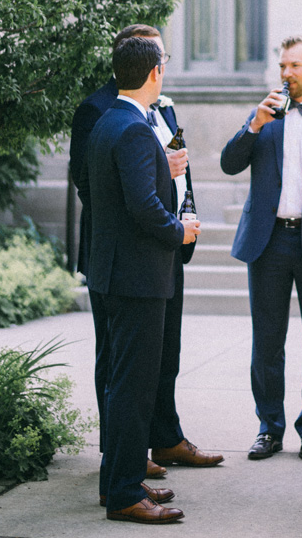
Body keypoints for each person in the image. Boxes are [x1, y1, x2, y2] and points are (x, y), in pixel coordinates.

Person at [71, 24, 222, 483]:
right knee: (126, 378)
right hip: (132, 259)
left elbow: (164, 174)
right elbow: (119, 195)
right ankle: (122, 478)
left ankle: (141, 457)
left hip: (149, 258)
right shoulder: (111, 118)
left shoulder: (141, 114)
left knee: (147, 367)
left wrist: (172, 181)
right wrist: (175, 230)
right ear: (152, 69)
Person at [86, 36, 199, 523]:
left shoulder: (108, 119)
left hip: (114, 272)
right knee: (132, 387)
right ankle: (126, 493)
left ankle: (119, 482)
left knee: (121, 383)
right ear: (153, 72)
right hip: (136, 276)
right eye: (164, 66)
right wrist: (181, 230)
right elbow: (144, 206)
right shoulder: (132, 128)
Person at [221, 36, 302, 461]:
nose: (286, 74)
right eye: (283, 66)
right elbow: (229, 163)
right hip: (268, 241)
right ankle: (269, 428)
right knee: (267, 341)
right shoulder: (265, 115)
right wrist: (253, 125)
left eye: (295, 66)